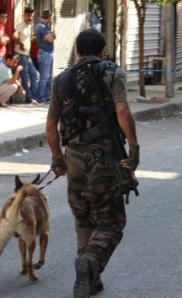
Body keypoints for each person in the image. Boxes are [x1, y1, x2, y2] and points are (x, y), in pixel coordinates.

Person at [45, 29, 140, 298]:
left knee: (84, 218)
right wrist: (133, 150)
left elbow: (52, 126)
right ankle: (90, 263)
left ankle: (88, 281)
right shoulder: (113, 73)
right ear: (102, 52)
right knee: (111, 223)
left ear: (76, 52)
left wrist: (57, 159)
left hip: (73, 160)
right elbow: (122, 110)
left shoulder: (60, 81)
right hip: (105, 162)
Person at [14, 6, 40, 104]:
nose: (30, 18)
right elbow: (15, 36)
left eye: (31, 16)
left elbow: (31, 36)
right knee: (25, 76)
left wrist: (35, 37)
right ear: (24, 15)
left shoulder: (30, 25)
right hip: (20, 55)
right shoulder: (21, 25)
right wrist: (20, 44)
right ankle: (28, 98)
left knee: (35, 75)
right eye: (28, 15)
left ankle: (34, 96)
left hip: (27, 55)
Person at [35, 9, 56, 103]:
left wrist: (51, 36)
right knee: (44, 77)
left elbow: (52, 37)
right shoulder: (41, 26)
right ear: (49, 17)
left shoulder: (45, 26)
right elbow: (51, 39)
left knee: (49, 77)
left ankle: (47, 96)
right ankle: (41, 96)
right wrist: (51, 36)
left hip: (48, 52)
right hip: (45, 53)